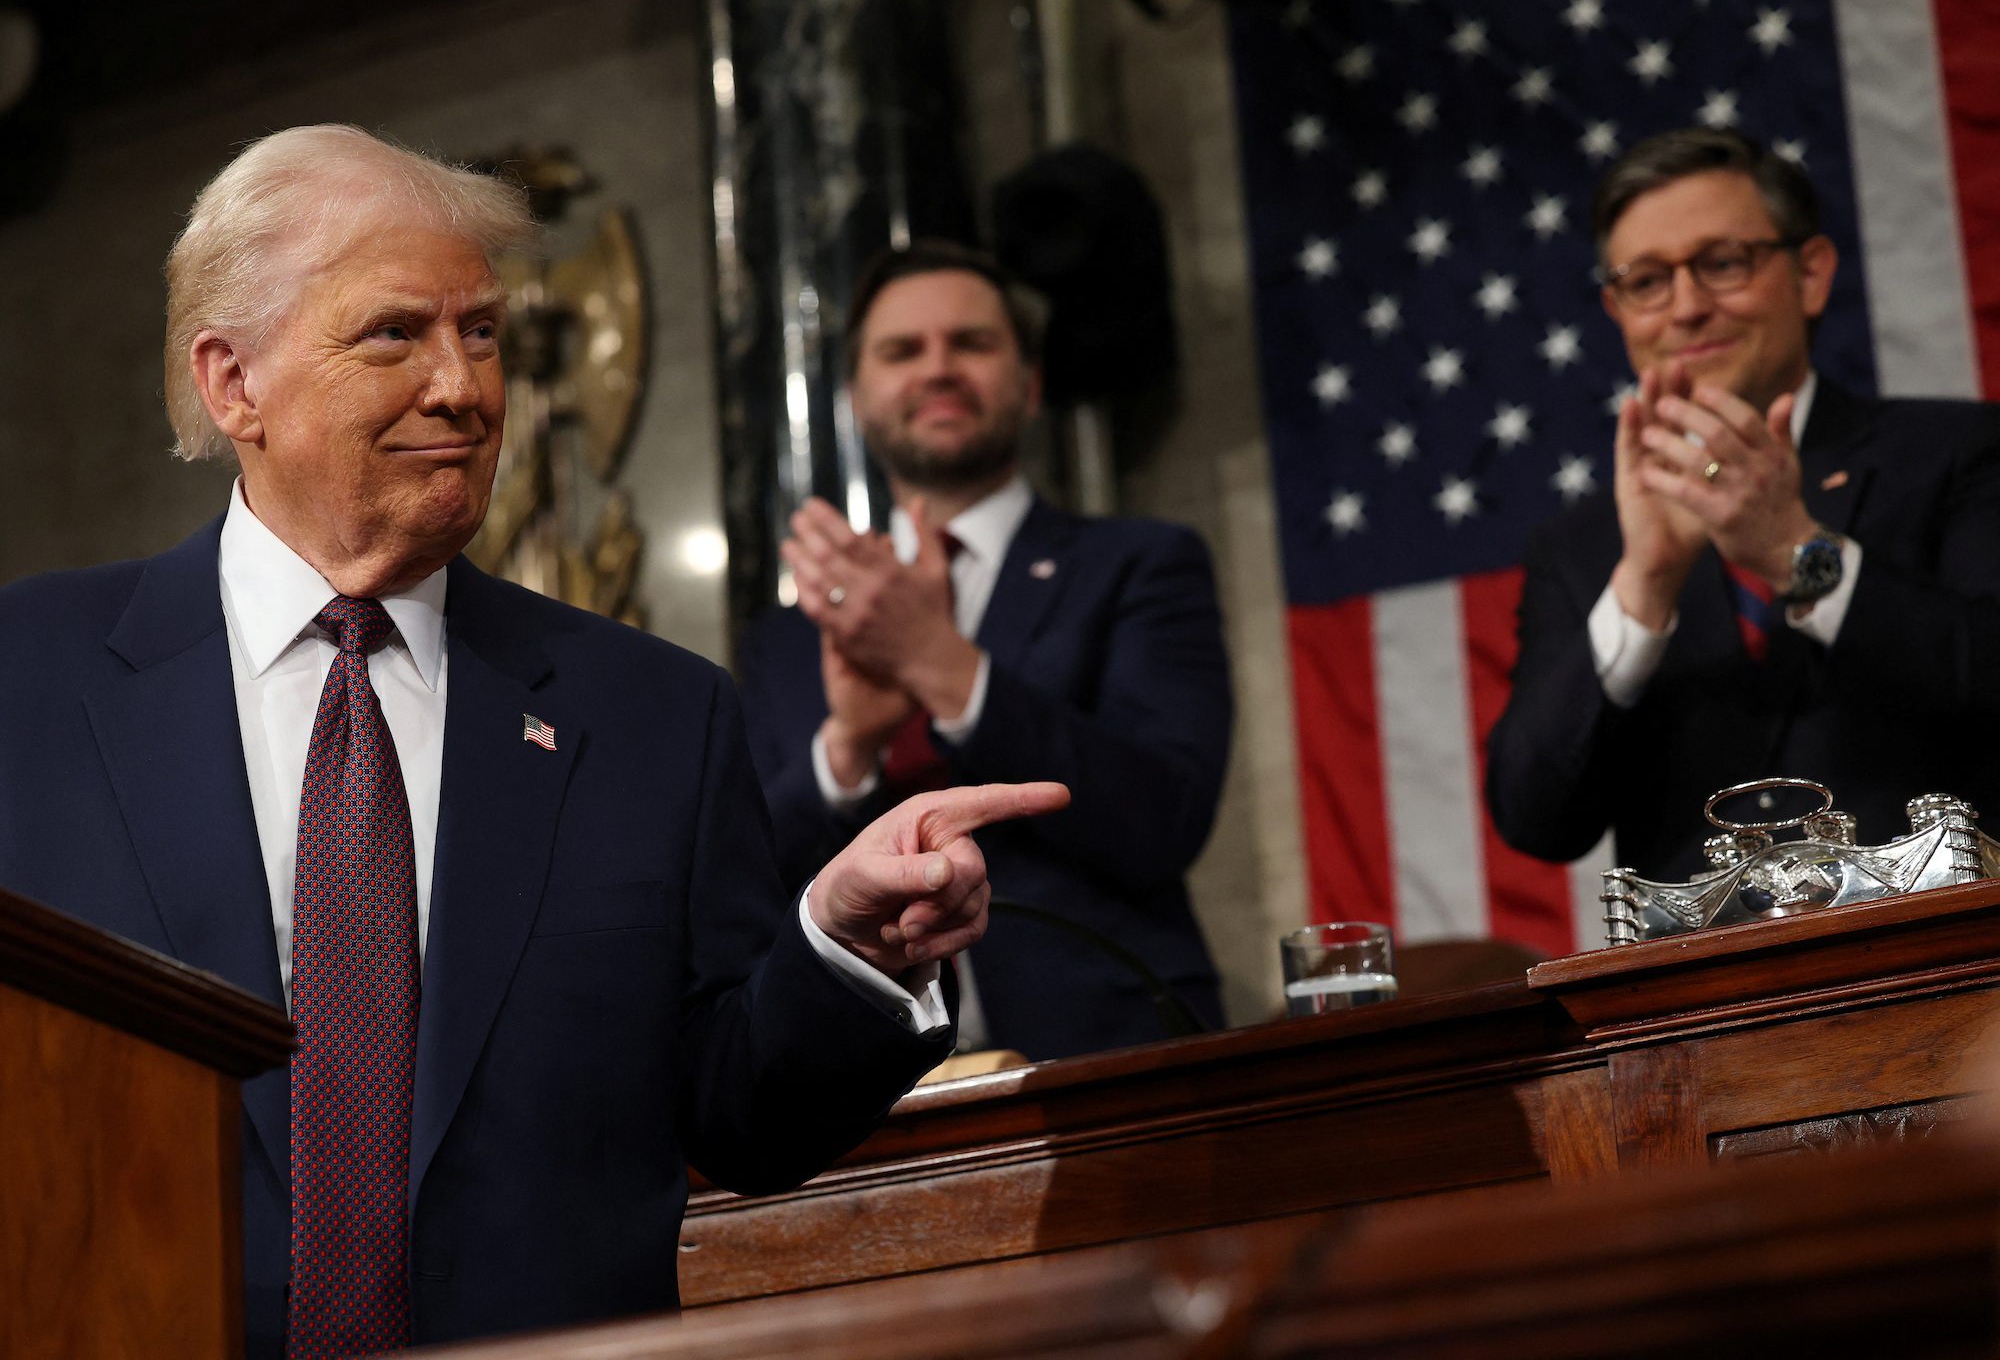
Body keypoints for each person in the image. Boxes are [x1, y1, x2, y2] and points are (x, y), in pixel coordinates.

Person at [0, 125, 1065, 1359]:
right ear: (234, 382)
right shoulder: (32, 678)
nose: (463, 385)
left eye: (484, 332)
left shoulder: (652, 713)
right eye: (395, 332)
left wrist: (844, 948)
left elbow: (741, 1118)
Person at [737, 240, 1232, 1062]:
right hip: (858, 1094)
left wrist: (944, 666)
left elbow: (1164, 820)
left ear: (1030, 385)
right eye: (903, 351)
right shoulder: (787, 639)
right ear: (859, 399)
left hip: (1113, 1059)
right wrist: (848, 747)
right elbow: (744, 887)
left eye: (971, 343)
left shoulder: (1141, 565)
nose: (939, 368)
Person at [1486, 127, 2000, 887]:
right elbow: (1535, 817)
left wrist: (1800, 556)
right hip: (1704, 995)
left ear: (1812, 274)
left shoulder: (1957, 451)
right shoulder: (1585, 547)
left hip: (1949, 962)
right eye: (1648, 281)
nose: (1686, 308)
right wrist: (1643, 589)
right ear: (1617, 309)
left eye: (1722, 265)